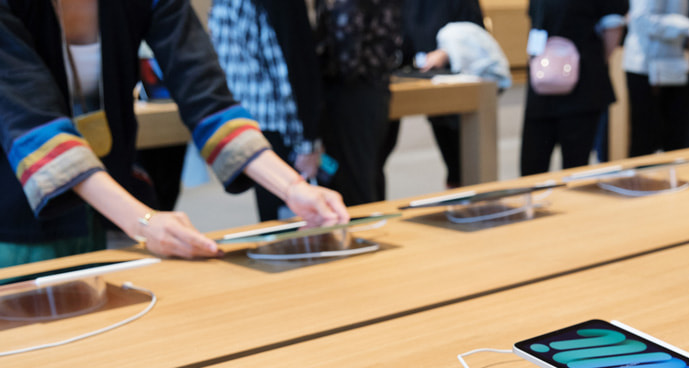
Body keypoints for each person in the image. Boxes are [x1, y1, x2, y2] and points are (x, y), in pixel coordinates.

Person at [0, 0, 348, 269]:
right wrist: (145, 222)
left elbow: (206, 94)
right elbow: (31, 120)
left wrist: (293, 188)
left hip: (111, 202)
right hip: (18, 213)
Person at [210, 0, 327, 222]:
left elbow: (299, 61)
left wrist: (308, 142)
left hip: (279, 126)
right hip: (254, 124)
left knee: (297, 219)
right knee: (278, 221)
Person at [383, 0, 484, 191]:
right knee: (378, 150)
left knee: (460, 160)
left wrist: (447, 52)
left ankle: (464, 201)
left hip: (453, 80)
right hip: (407, 75)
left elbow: (475, 34)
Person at [520, 0, 628, 176]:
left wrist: (592, 63)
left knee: (575, 168)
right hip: (541, 85)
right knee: (532, 166)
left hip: (582, 86)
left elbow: (613, 27)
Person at [315, 0, 402, 206]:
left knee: (355, 187)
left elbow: (347, 59)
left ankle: (366, 227)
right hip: (372, 93)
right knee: (368, 178)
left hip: (352, 98)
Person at [622, 0, 689, 155]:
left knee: (676, 137)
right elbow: (642, 19)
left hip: (674, 64)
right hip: (646, 66)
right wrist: (686, 28)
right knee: (645, 141)